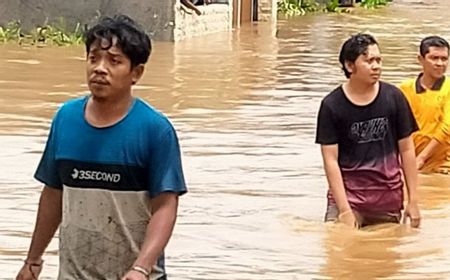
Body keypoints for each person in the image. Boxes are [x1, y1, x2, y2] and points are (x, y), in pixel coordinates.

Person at [16, 15, 187, 280]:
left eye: (114, 61)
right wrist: (32, 260)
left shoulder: (155, 130)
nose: (99, 68)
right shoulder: (65, 119)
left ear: (136, 73)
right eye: (93, 58)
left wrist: (141, 268)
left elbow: (165, 206)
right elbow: (53, 193)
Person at [315, 33, 421, 228]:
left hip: (387, 199)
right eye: (369, 60)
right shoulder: (332, 105)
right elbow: (330, 160)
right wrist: (345, 210)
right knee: (341, 249)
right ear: (349, 66)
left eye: (379, 60)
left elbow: (407, 150)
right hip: (349, 198)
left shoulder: (394, 98)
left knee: (387, 255)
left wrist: (413, 200)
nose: (376, 66)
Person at [399, 36, 450, 173]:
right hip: (410, 162)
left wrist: (421, 158)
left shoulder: (449, 89)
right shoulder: (404, 90)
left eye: (444, 59)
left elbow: (446, 128)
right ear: (420, 59)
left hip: (443, 167)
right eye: (434, 58)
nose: (440, 63)